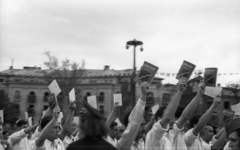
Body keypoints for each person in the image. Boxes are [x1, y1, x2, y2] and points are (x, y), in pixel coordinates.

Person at [145, 77, 187, 150]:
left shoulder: (170, 136)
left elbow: (185, 117)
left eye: (174, 118)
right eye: (172, 118)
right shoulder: (155, 133)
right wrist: (179, 92)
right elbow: (167, 118)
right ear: (159, 119)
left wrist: (199, 94)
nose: (173, 121)